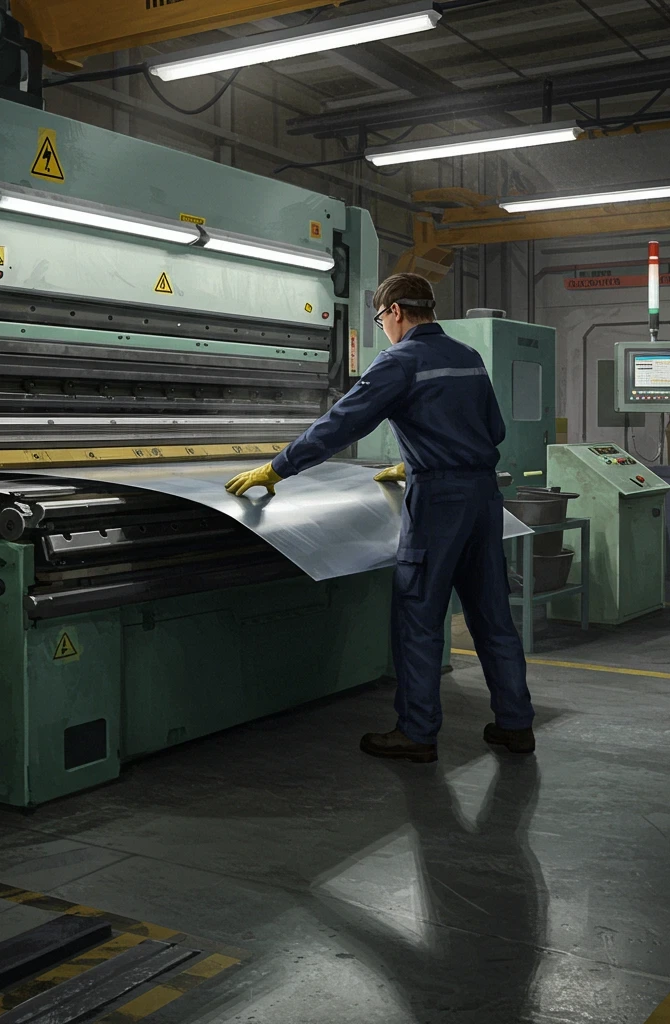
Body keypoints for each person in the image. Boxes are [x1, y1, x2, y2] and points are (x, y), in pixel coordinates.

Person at [225, 273, 535, 762]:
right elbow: (491, 429)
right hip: (482, 497)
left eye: (379, 319)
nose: (383, 329)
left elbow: (341, 423)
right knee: (493, 614)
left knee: (420, 615)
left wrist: (276, 468)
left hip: (437, 501)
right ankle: (516, 725)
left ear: (393, 311)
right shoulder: (468, 358)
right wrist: (418, 459)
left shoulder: (399, 361)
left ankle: (417, 733)